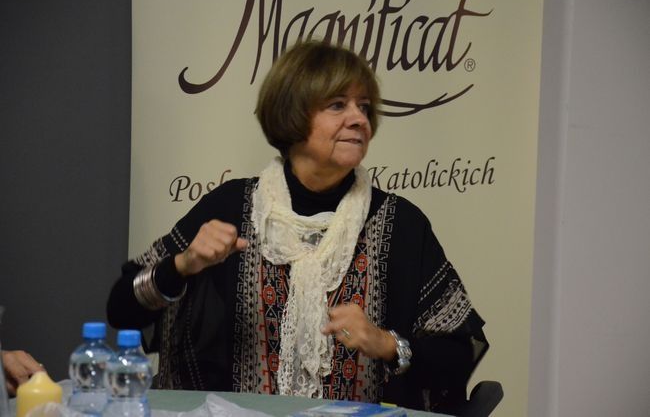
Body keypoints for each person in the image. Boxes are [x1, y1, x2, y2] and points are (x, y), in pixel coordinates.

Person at [107, 40, 488, 413]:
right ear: (292, 114)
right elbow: (121, 308)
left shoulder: (401, 224)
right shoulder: (231, 207)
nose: (359, 119)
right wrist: (182, 266)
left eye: (364, 107)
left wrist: (386, 344)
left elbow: (459, 353)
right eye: (337, 105)